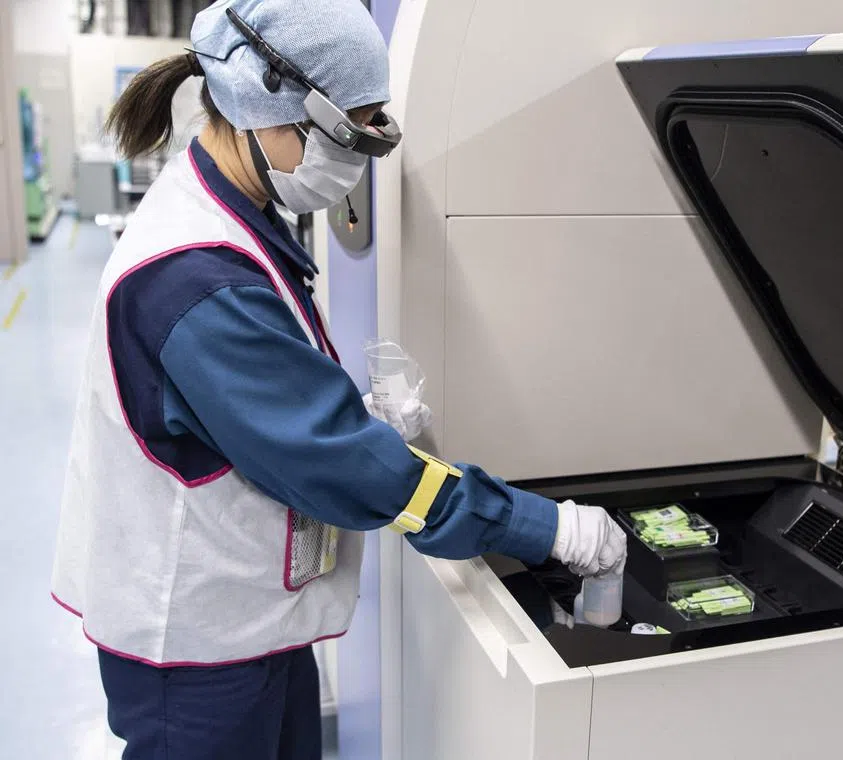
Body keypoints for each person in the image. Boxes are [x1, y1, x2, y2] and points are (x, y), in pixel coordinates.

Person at [50, 1, 626, 758]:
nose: (351, 165)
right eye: (345, 135)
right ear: (267, 107)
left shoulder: (234, 212)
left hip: (247, 619)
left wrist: (350, 418)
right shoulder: (195, 277)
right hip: (192, 648)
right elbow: (342, 467)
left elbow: (264, 407)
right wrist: (544, 526)